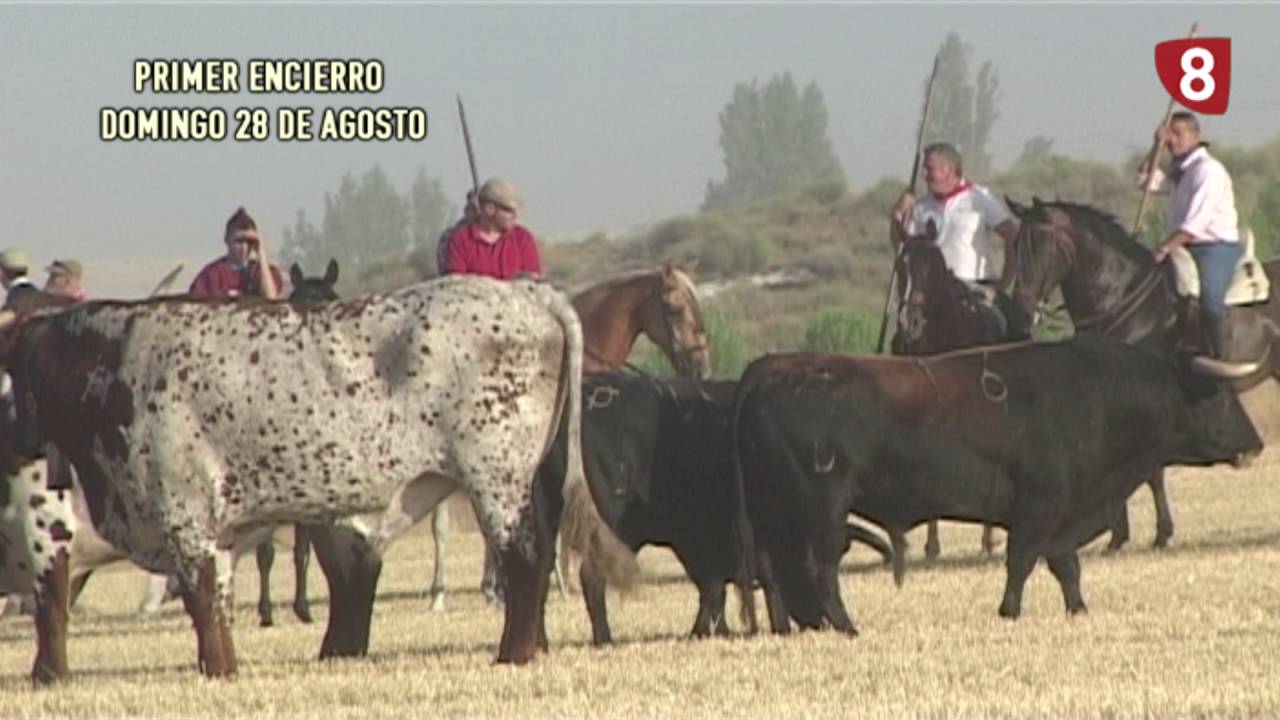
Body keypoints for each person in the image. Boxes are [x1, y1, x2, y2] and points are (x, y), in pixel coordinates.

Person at [442, 178, 542, 606]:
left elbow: (533, 287)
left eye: (514, 211)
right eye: (504, 209)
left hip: (518, 347)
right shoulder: (458, 242)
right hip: (473, 351)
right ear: (485, 208)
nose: (512, 218)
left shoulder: (523, 241)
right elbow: (456, 295)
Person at [1141, 112, 1242, 359]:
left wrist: (1164, 248)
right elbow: (1145, 180)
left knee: (1210, 296)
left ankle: (1219, 356)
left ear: (1196, 136)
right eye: (1169, 134)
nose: (1172, 140)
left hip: (1215, 247)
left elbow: (1196, 224)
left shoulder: (1208, 171)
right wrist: (1156, 145)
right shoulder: (1181, 171)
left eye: (1178, 134)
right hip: (1184, 245)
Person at [891, 142, 1020, 292]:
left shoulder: (979, 198)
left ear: (949, 169)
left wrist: (1005, 280)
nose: (924, 174)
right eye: (923, 169)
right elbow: (903, 247)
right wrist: (898, 214)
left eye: (929, 168)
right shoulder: (921, 207)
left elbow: (1012, 233)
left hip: (976, 287)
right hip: (935, 290)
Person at [442, 178, 542, 280]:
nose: (515, 216)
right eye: (509, 211)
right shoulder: (461, 240)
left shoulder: (523, 239)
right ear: (490, 209)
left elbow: (532, 283)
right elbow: (455, 284)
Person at [189, 207, 282, 299]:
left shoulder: (261, 272)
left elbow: (271, 299)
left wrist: (261, 254)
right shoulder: (211, 274)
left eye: (249, 242)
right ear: (227, 239)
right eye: (239, 241)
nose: (244, 247)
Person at [436, 189, 479, 276]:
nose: (479, 213)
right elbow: (446, 267)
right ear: (467, 210)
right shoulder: (450, 236)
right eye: (474, 209)